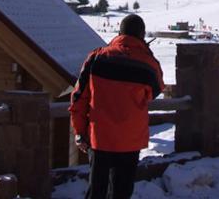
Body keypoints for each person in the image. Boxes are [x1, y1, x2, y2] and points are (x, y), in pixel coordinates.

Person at [70, 14, 164, 199]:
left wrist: (80, 132)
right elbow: (156, 90)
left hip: (100, 138)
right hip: (130, 140)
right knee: (121, 192)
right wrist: (147, 53)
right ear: (142, 35)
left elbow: (78, 98)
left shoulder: (96, 58)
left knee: (96, 190)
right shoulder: (148, 64)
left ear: (120, 32)